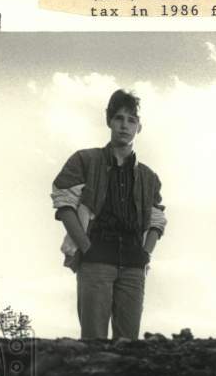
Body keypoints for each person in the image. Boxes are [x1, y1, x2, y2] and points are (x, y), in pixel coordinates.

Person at [51, 89, 166, 340]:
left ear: (139, 127)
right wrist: (86, 247)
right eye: (119, 118)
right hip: (96, 259)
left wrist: (146, 253)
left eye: (131, 120)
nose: (125, 126)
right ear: (109, 121)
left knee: (129, 347)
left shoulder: (149, 176)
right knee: (94, 343)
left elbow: (157, 218)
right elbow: (64, 203)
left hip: (134, 265)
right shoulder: (85, 160)